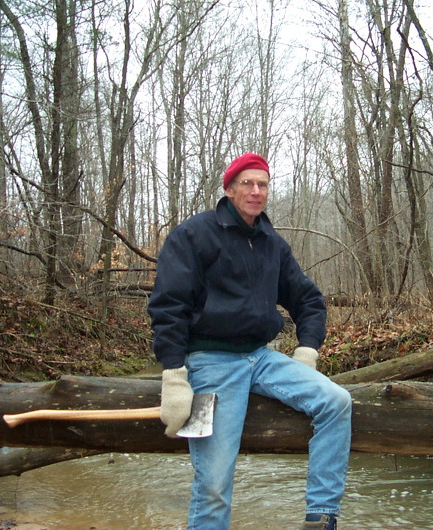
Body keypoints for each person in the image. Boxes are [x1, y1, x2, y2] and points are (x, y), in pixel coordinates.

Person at [147, 153, 352, 530]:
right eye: (247, 183)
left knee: (336, 401)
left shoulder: (272, 243)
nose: (256, 191)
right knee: (213, 485)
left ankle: (321, 516)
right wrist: (174, 376)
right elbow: (168, 306)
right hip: (209, 362)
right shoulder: (194, 234)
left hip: (262, 357)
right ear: (229, 189)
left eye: (263, 184)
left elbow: (308, 300)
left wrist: (307, 350)